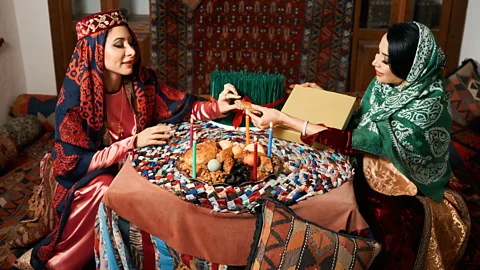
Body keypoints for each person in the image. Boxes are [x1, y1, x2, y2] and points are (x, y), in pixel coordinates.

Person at [245, 22, 470, 268]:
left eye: (385, 60)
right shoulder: (388, 84)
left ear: (410, 67)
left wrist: (283, 119)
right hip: (367, 155)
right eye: (378, 53)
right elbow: (363, 118)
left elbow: (361, 141)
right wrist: (324, 97)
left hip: (406, 180)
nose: (375, 62)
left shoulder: (426, 108)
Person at [30, 10, 240, 269]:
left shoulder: (142, 82)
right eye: (119, 45)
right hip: (89, 181)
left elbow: (182, 108)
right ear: (95, 51)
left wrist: (218, 107)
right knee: (105, 187)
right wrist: (133, 142)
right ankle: (62, 263)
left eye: (131, 43)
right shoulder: (74, 101)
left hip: (135, 168)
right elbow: (73, 165)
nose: (131, 51)